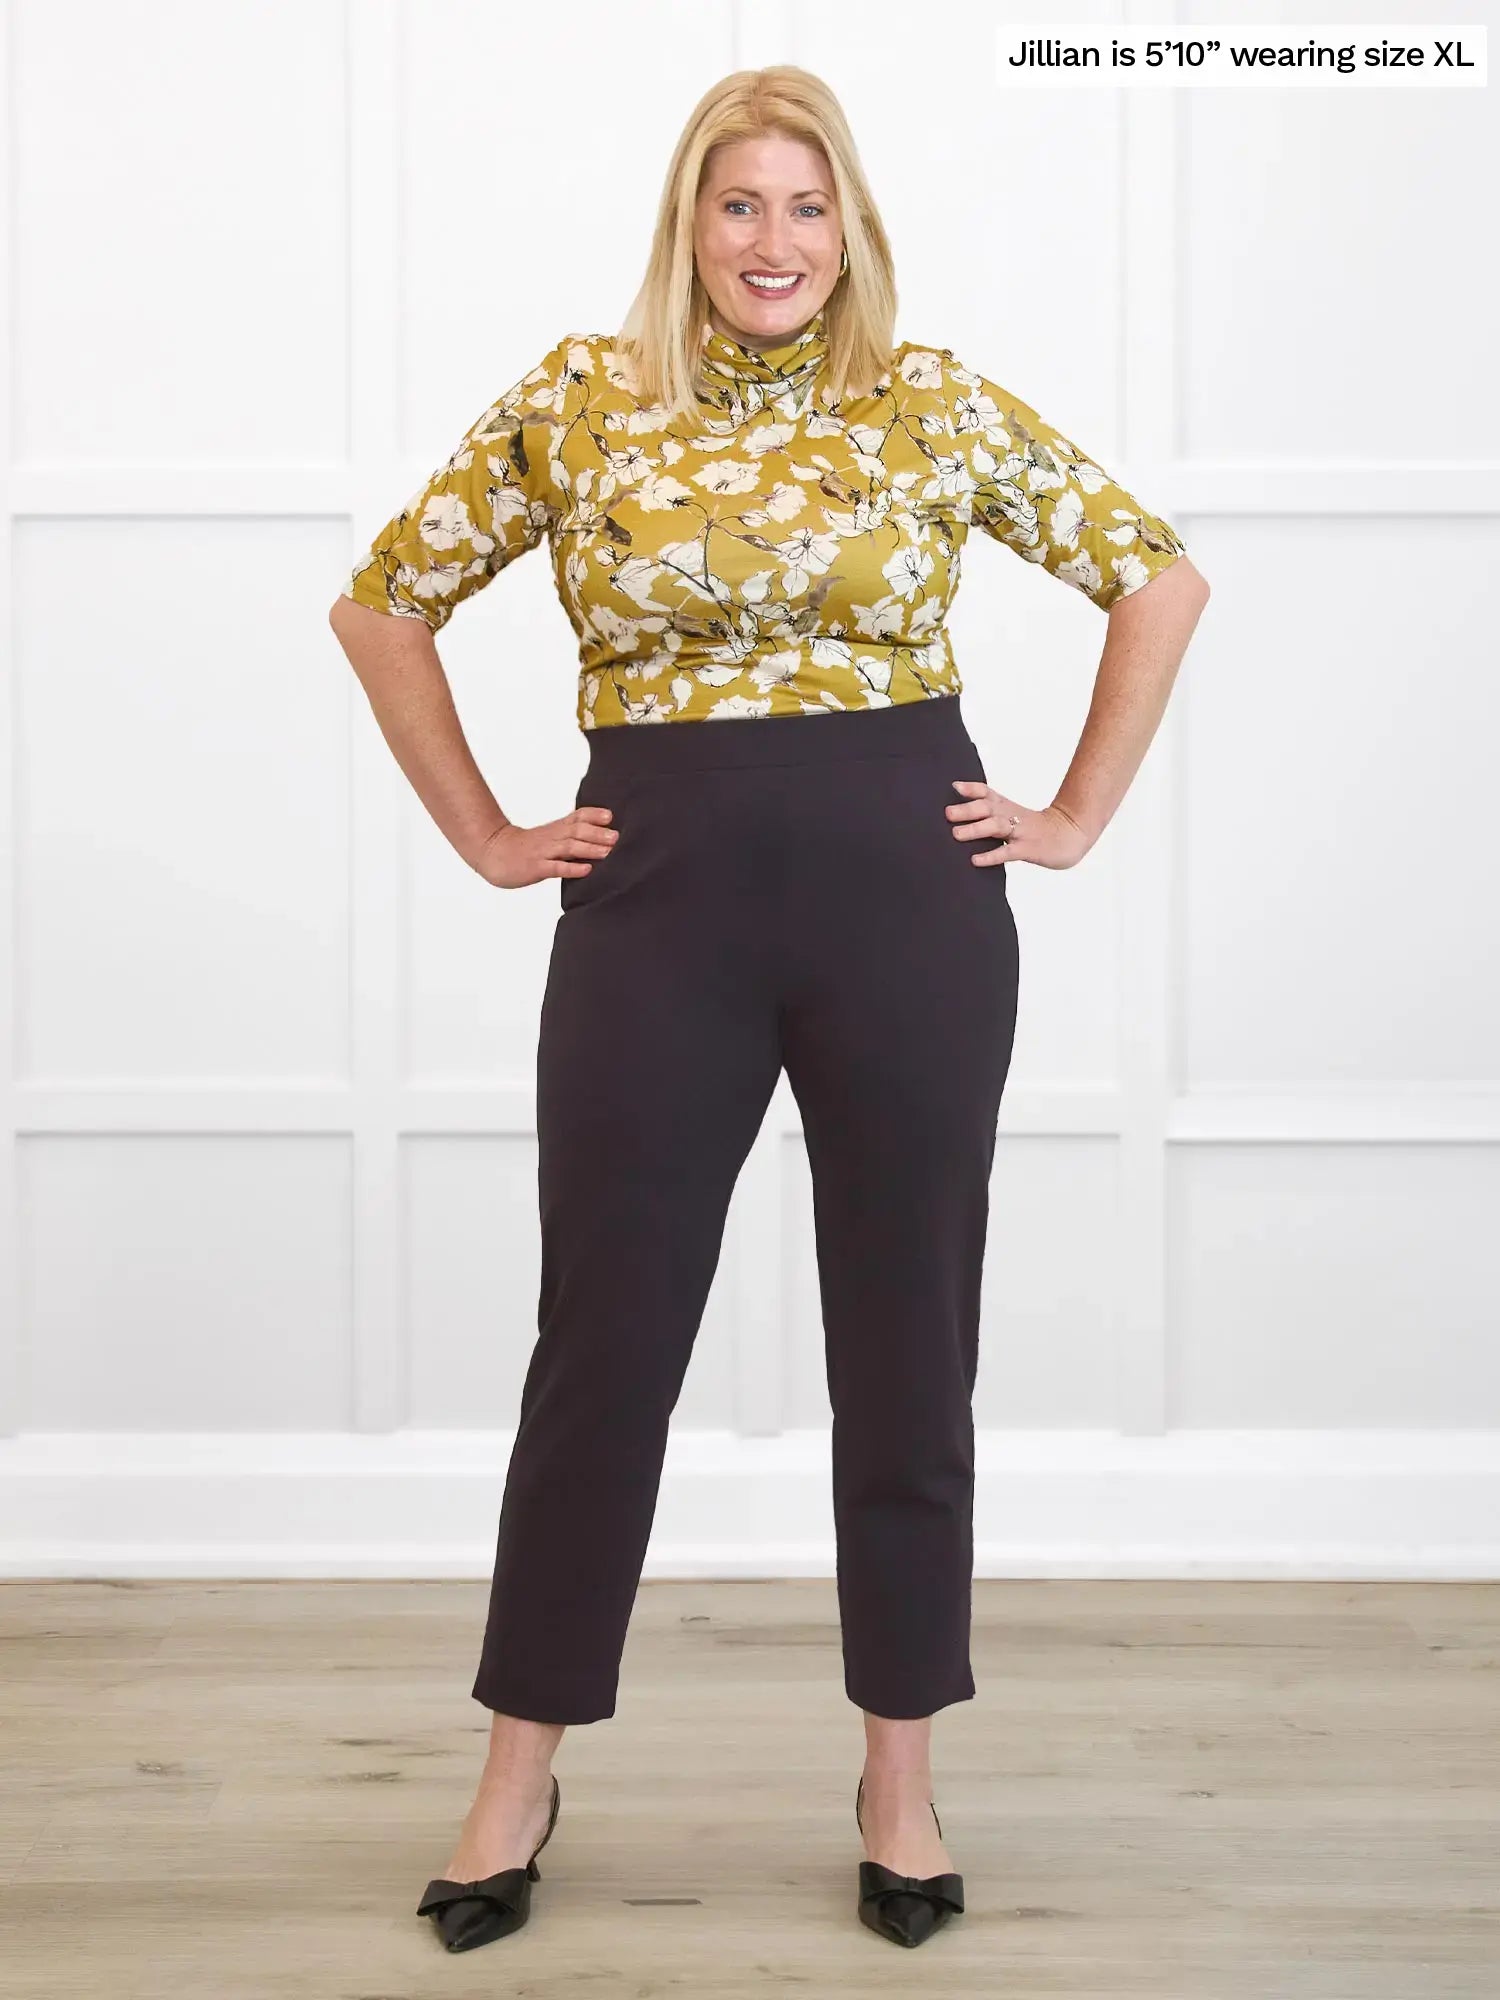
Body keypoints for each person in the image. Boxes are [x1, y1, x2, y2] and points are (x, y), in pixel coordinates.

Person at [328, 65, 1210, 1957]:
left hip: (909, 898)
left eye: (808, 209)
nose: (774, 245)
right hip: (660, 909)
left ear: (853, 230)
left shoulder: (931, 398)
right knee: (608, 1343)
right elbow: (384, 604)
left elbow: (1157, 575)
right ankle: (515, 1769)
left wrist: (1068, 813)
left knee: (907, 1340)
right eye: (740, 207)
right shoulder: (583, 397)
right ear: (688, 224)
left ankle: (901, 1766)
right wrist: (486, 829)